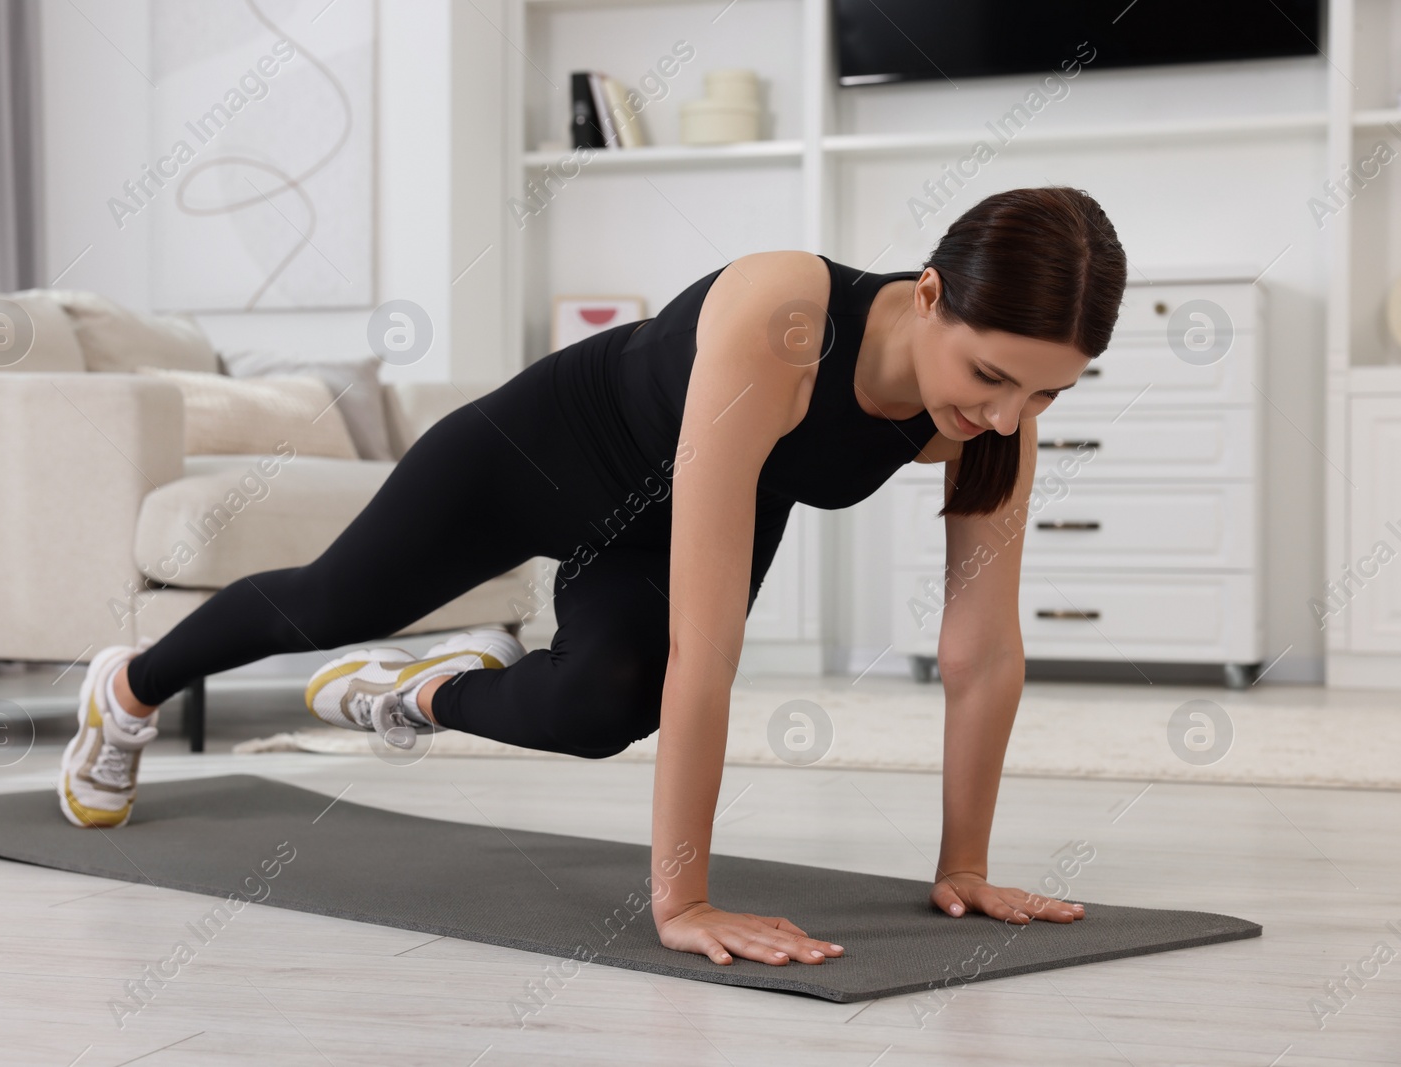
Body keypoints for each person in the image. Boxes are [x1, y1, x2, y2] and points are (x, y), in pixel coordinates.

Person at [57, 185, 1126, 969]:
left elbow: (981, 650)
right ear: (929, 293)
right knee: (333, 600)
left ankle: (417, 690)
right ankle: (129, 687)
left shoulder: (990, 429)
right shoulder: (785, 315)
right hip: (539, 452)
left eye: (1044, 395)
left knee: (600, 707)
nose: (1004, 417)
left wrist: (966, 864)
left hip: (658, 525)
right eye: (989, 375)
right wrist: (684, 902)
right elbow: (708, 650)